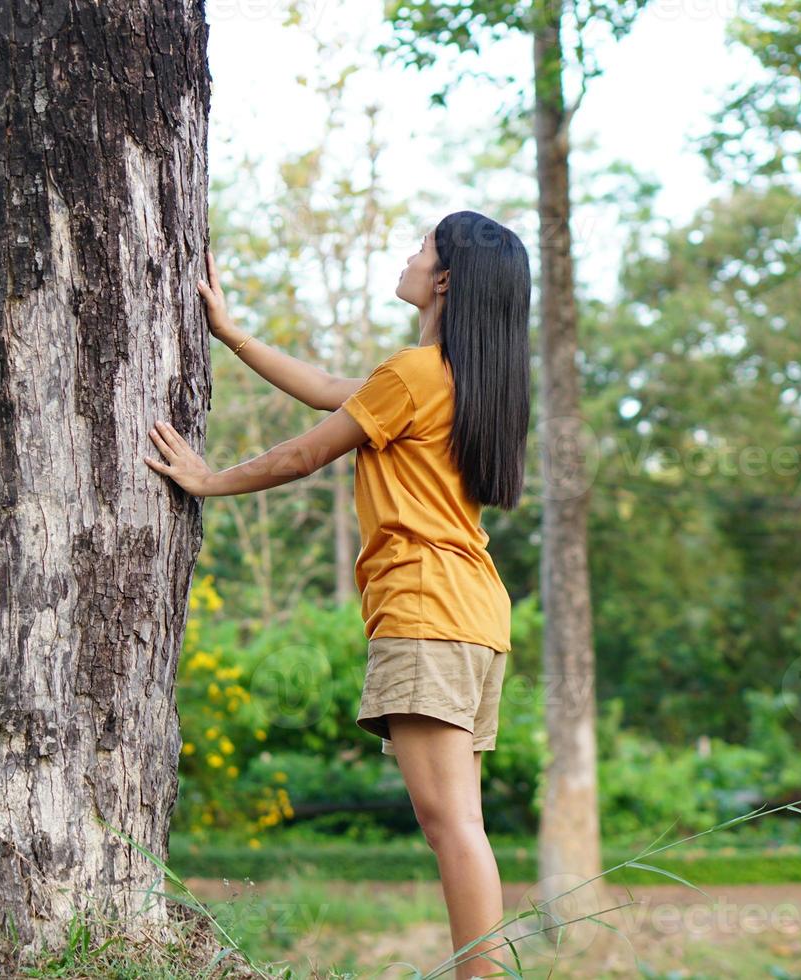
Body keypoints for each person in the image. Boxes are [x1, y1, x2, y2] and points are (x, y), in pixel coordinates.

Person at [144, 210, 531, 979]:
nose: (410, 255)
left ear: (446, 278)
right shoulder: (456, 384)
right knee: (461, 822)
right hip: (476, 616)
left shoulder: (415, 376)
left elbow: (303, 455)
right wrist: (232, 334)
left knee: (449, 823)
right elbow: (326, 391)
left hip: (426, 608)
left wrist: (208, 480)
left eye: (422, 246)